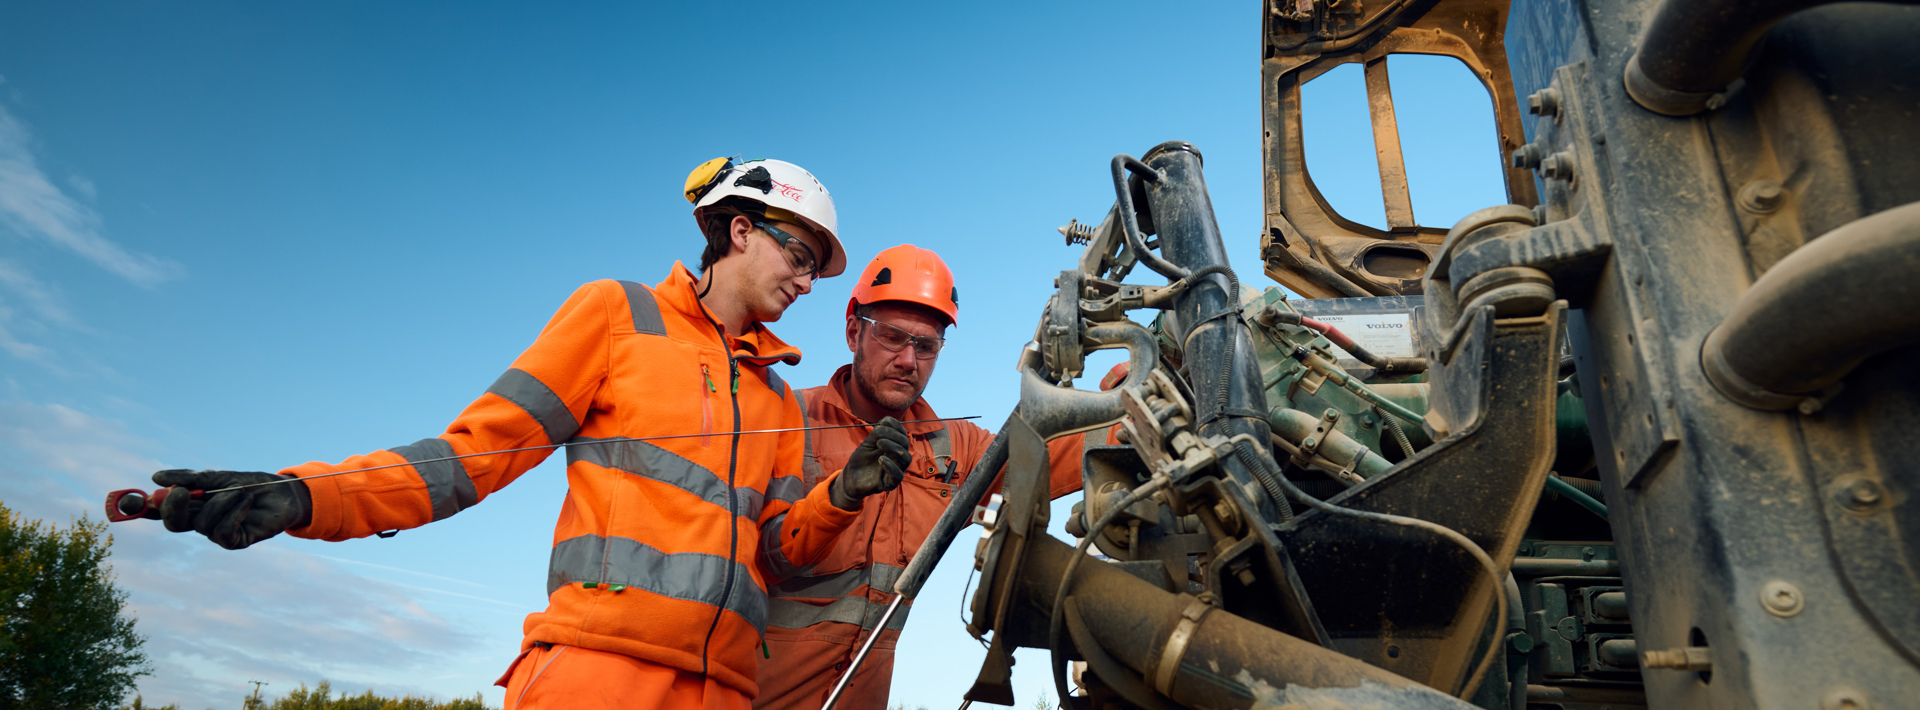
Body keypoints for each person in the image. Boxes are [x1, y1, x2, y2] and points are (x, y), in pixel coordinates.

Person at [147, 157, 917, 710]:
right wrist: (306, 494)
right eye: (799, 254)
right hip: (598, 675)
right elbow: (471, 456)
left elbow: (778, 555)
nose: (808, 281)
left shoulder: (777, 397)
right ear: (740, 230)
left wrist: (842, 495)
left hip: (726, 691)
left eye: (816, 266)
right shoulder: (617, 315)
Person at [753, 246, 1100, 710]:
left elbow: (1051, 452)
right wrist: (839, 495)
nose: (908, 361)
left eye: (926, 346)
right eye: (893, 337)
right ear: (854, 331)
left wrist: (1138, 403)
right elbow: (765, 558)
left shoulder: (954, 449)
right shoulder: (788, 419)